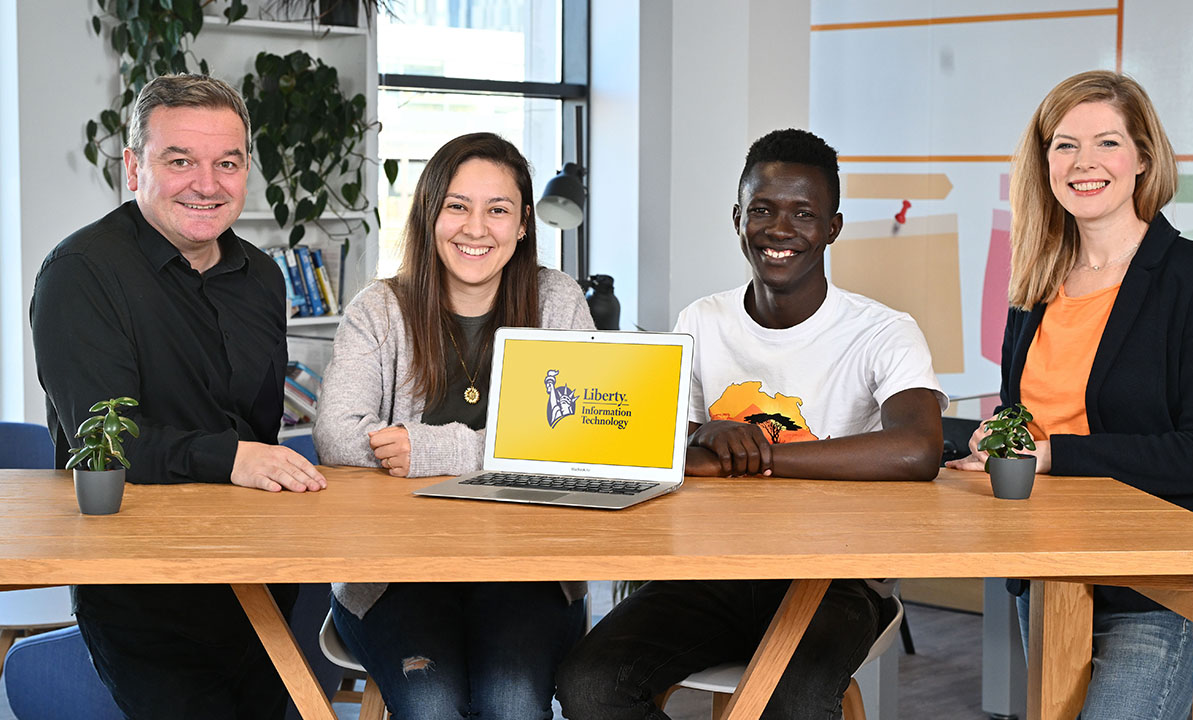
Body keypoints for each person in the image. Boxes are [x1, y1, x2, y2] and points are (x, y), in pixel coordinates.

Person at [556, 128, 947, 720]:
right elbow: (660, 445)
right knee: (588, 683)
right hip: (710, 573)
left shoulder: (884, 331)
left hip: (835, 583)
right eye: (762, 210)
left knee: (792, 701)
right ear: (738, 218)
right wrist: (700, 434)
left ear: (833, 227)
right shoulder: (702, 320)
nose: (780, 230)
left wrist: (759, 453)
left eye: (804, 214)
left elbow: (917, 450)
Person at [947, 70, 1193, 719]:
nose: (1084, 163)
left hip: (1157, 589)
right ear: (1045, 162)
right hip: (1050, 578)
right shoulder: (1034, 286)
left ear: (1143, 157)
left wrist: (1054, 453)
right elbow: (1020, 418)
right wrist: (996, 441)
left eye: (1106, 143)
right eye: (1064, 145)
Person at [30, 74, 327, 719]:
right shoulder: (81, 274)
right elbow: (99, 445)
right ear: (135, 166)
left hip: (261, 573)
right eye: (180, 161)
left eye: (227, 163)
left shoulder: (261, 277)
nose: (207, 183)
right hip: (143, 585)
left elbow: (261, 430)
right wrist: (231, 459)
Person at [313, 132, 593, 720]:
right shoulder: (378, 308)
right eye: (457, 206)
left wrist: (430, 446)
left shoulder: (557, 302)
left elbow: (576, 443)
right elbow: (338, 435)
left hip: (531, 574)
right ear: (429, 214)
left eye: (498, 210)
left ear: (521, 226)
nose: (475, 228)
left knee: (513, 704)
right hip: (394, 577)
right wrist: (508, 450)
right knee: (432, 704)